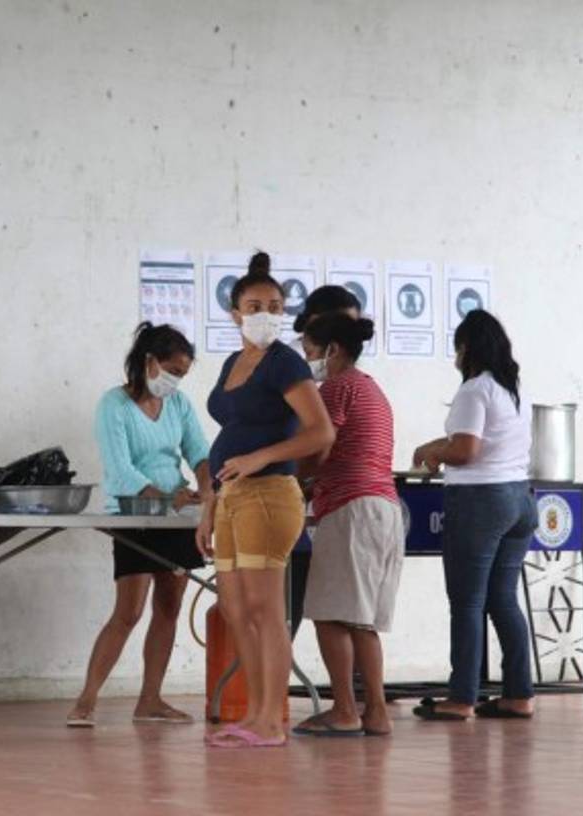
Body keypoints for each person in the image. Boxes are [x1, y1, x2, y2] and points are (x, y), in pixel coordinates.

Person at [197, 251, 335, 748]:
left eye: (274, 306)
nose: (265, 315)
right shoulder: (236, 361)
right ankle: (255, 714)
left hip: (268, 494)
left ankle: (271, 719)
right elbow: (232, 430)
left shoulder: (285, 361)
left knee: (264, 609)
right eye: (254, 306)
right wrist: (209, 504)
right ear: (234, 313)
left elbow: (320, 432)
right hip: (232, 497)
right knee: (235, 609)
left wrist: (260, 458)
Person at [66, 323, 211, 728]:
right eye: (172, 370)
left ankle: (150, 699)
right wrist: (166, 497)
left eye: (182, 374)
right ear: (149, 362)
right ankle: (86, 699)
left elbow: (199, 452)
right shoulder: (113, 404)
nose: (175, 380)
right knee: (127, 611)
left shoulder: (179, 405)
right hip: (132, 514)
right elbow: (119, 470)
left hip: (178, 518)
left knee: (169, 607)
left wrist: (206, 490)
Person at [411, 310, 536, 722]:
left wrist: (433, 453)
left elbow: (466, 451)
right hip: (519, 500)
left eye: (456, 348)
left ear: (466, 348)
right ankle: (519, 694)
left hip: (480, 501)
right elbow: (473, 440)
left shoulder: (473, 390)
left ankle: (461, 697)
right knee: (503, 600)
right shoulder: (509, 389)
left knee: (466, 603)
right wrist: (436, 445)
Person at [293, 313, 403, 738]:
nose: (309, 362)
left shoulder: (336, 387)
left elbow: (319, 445)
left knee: (329, 614)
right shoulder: (372, 388)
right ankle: (375, 712)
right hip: (383, 509)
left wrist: (291, 474)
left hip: (350, 509)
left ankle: (343, 709)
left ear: (332, 350)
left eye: (309, 352)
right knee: (362, 620)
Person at [287, 284, 363, 636]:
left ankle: (353, 689)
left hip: (320, 497)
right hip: (287, 489)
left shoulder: (341, 378)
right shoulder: (289, 363)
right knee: (287, 604)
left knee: (337, 607)